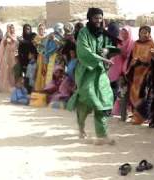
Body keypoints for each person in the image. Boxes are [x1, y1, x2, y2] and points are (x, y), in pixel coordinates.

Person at [67, 8, 115, 145]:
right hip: (86, 71)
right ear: (90, 18)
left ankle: (102, 135)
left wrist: (107, 51)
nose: (98, 21)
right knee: (87, 100)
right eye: (95, 18)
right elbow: (84, 51)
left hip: (100, 73)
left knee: (103, 101)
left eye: (100, 18)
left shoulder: (103, 33)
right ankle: (81, 127)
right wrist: (102, 59)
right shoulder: (83, 33)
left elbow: (110, 47)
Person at [127, 26, 154, 125]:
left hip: (145, 72)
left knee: (142, 94)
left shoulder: (151, 43)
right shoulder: (136, 43)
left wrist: (142, 60)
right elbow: (133, 56)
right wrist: (134, 62)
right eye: (142, 32)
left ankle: (142, 117)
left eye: (146, 32)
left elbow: (151, 58)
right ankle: (136, 116)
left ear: (149, 33)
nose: (144, 34)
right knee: (134, 93)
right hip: (136, 72)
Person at [109, 26, 134, 115]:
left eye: (126, 33)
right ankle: (122, 113)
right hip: (120, 71)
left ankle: (128, 112)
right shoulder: (120, 43)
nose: (124, 35)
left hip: (129, 70)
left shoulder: (132, 43)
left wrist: (124, 54)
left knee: (129, 92)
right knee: (122, 91)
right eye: (122, 33)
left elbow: (131, 56)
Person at [0, 24, 17, 92]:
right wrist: (6, 39)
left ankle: (12, 84)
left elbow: (16, 42)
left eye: (12, 28)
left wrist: (10, 37)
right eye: (10, 28)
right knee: (6, 69)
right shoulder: (6, 37)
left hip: (13, 55)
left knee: (12, 70)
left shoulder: (15, 36)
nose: (11, 30)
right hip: (6, 55)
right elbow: (3, 45)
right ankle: (6, 85)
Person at [18, 24, 37, 90]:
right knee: (26, 74)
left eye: (28, 29)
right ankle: (27, 89)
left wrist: (23, 42)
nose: (27, 30)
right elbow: (20, 49)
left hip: (32, 58)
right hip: (24, 59)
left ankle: (32, 88)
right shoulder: (22, 37)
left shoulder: (33, 35)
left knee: (32, 74)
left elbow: (32, 44)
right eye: (25, 29)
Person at [34, 23, 47, 91]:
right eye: (40, 29)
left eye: (42, 29)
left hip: (46, 56)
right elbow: (37, 47)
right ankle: (39, 87)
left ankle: (44, 86)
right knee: (40, 70)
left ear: (44, 30)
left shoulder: (46, 37)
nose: (41, 30)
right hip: (40, 56)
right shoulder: (37, 37)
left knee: (45, 70)